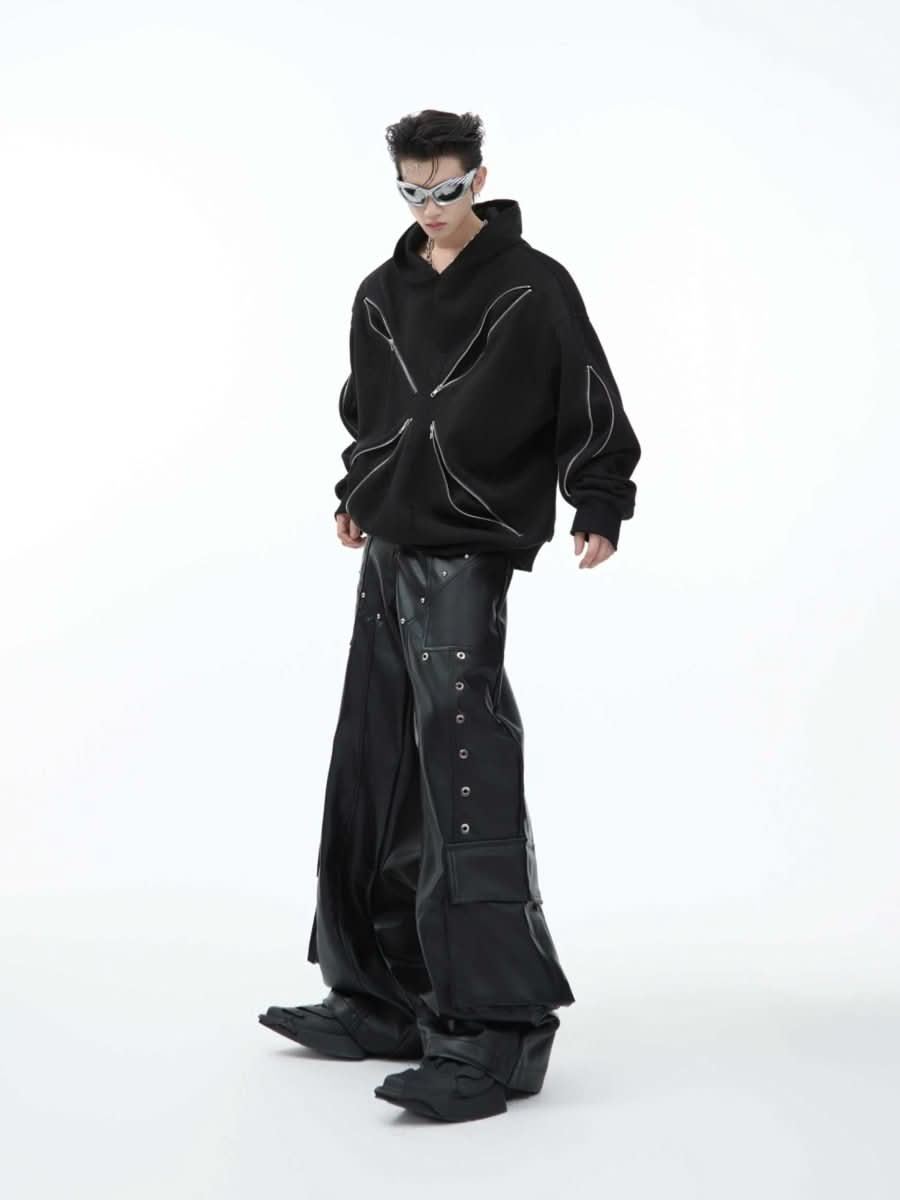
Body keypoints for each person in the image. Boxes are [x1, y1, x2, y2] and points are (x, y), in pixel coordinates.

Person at [259, 109, 642, 1122]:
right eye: (413, 191)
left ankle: (494, 1036)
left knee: (465, 771)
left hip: (469, 544)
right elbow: (373, 409)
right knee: (375, 759)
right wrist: (357, 491)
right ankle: (381, 996)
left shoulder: (532, 284)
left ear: (478, 176)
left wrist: (599, 500)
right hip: (390, 541)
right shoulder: (381, 290)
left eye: (447, 189)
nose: (430, 208)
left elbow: (589, 394)